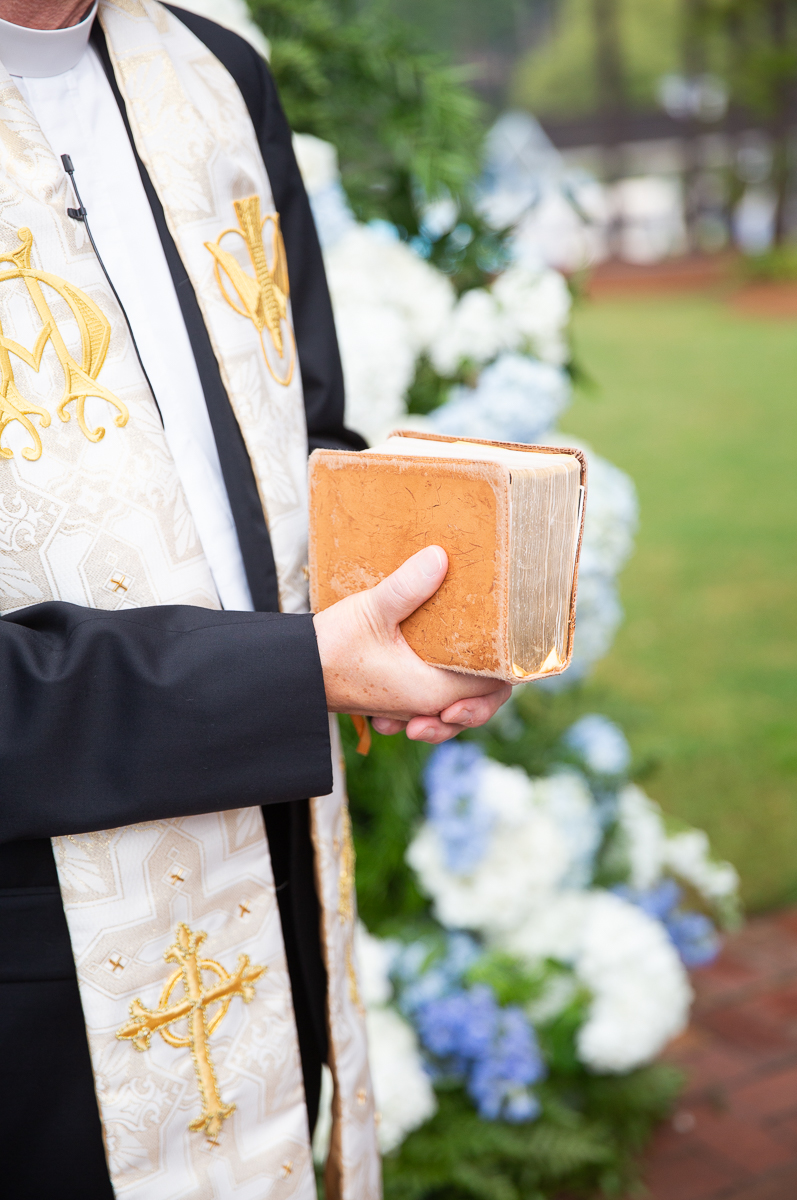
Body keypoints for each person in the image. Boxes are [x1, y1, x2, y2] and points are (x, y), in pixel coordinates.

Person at [0, 3, 511, 1198]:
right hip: (38, 967)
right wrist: (298, 674)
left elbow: (303, 436)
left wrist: (422, 614)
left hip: (273, 857)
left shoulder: (216, 76)